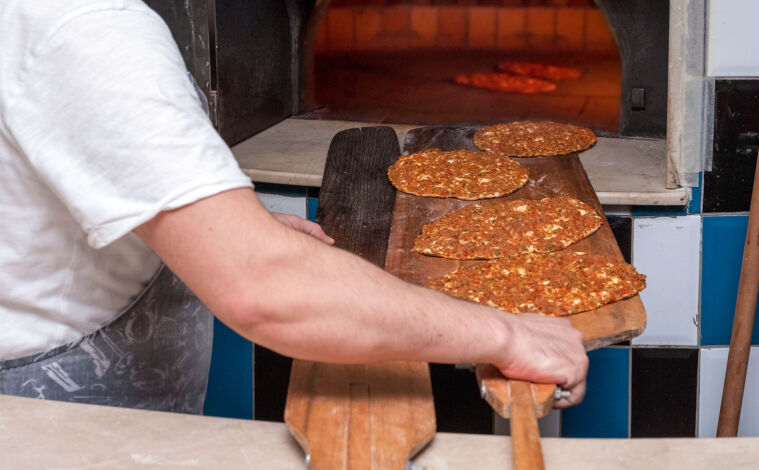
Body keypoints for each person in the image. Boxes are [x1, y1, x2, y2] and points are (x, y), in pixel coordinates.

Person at [0, 0, 587, 413]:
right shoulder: (84, 25)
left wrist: (216, 231)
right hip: (55, 418)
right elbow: (266, 289)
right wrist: (509, 337)